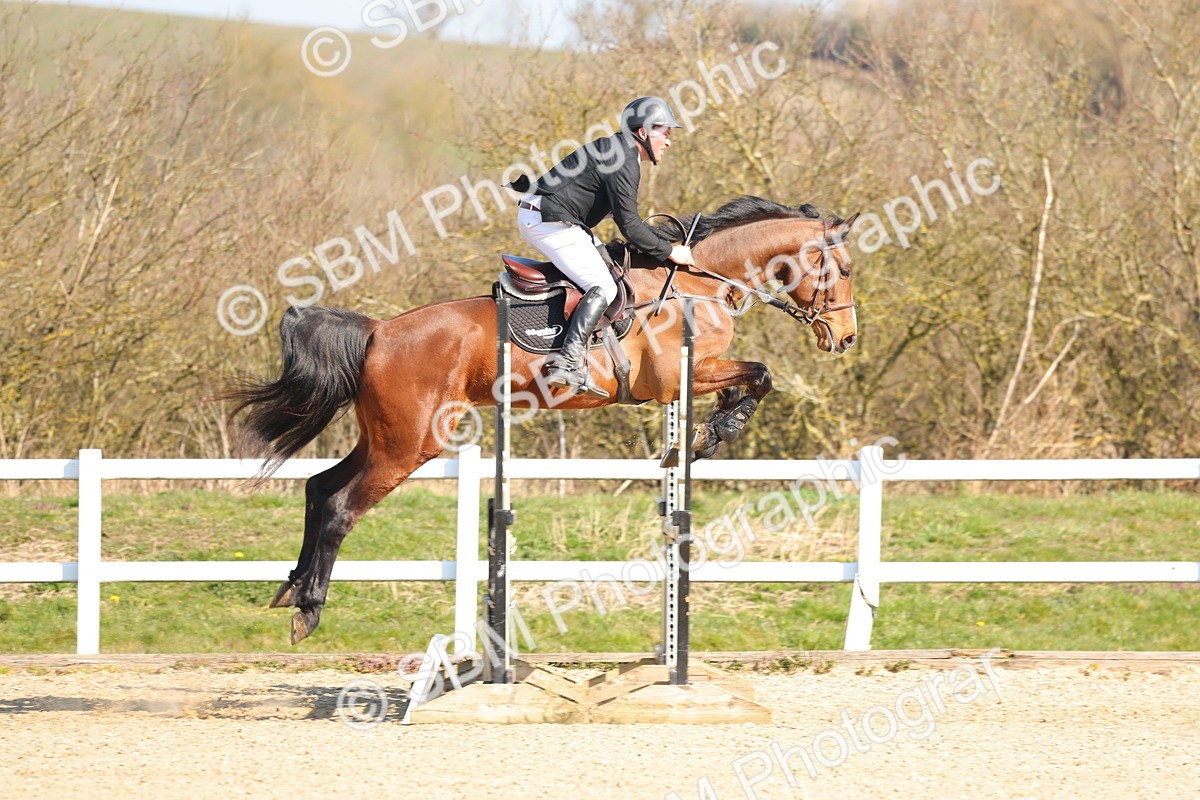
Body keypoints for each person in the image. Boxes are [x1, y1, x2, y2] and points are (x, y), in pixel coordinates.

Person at [511, 96, 696, 399]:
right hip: (548, 221)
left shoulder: (619, 151)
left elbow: (623, 217)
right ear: (643, 132)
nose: (669, 142)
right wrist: (669, 251)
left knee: (611, 270)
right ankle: (567, 363)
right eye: (666, 133)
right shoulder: (624, 160)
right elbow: (632, 227)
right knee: (604, 287)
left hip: (556, 217)